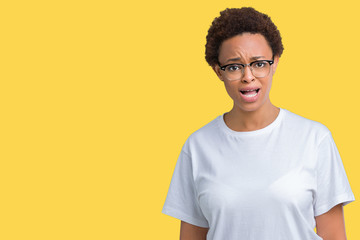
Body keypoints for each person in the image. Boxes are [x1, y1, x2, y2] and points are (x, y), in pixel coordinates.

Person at [162, 7, 355, 240]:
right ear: (218, 71)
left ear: (274, 63)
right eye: (234, 66)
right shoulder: (197, 146)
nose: (248, 76)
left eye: (259, 63)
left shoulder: (315, 139)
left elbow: (335, 236)